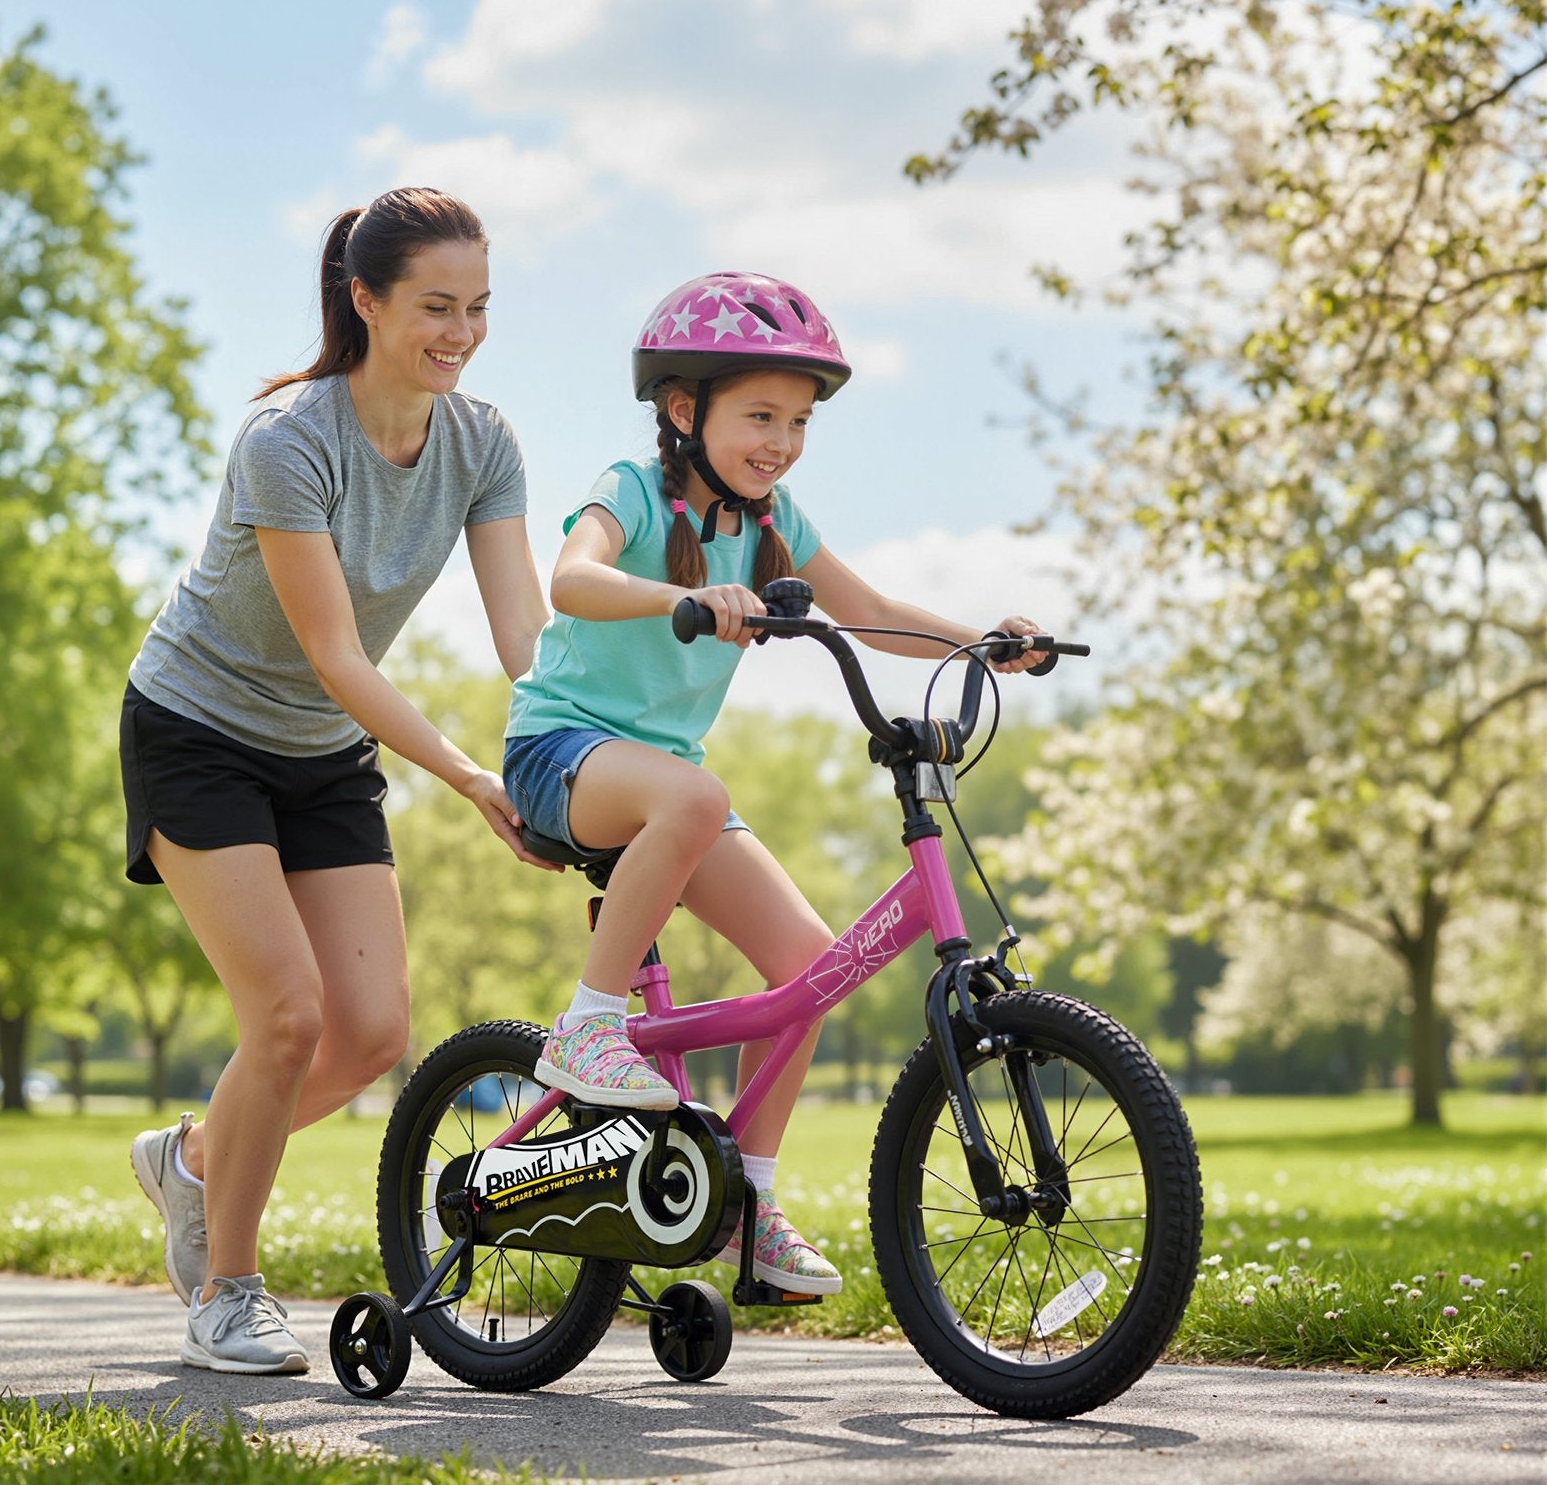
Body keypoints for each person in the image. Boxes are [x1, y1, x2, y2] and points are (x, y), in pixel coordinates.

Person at [502, 271, 1048, 1295]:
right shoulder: (630, 485)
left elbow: (872, 610)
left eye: (797, 420)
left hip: (669, 783)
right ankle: (587, 1025)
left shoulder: (775, 517)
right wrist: (685, 597)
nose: (780, 441)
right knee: (693, 796)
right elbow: (569, 579)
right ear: (682, 408)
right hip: (558, 751)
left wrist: (980, 639)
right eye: (759, 415)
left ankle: (746, 1204)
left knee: (810, 964)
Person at [124, 187, 551, 1374]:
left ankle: (195, 1159)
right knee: (288, 1014)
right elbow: (337, 654)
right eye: (432, 306)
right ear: (364, 300)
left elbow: (525, 638)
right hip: (199, 729)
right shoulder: (287, 441)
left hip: (320, 751)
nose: (457, 331)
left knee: (367, 1037)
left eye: (476, 307)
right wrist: (469, 777)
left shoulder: (482, 440)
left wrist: (576, 737)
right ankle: (228, 1286)